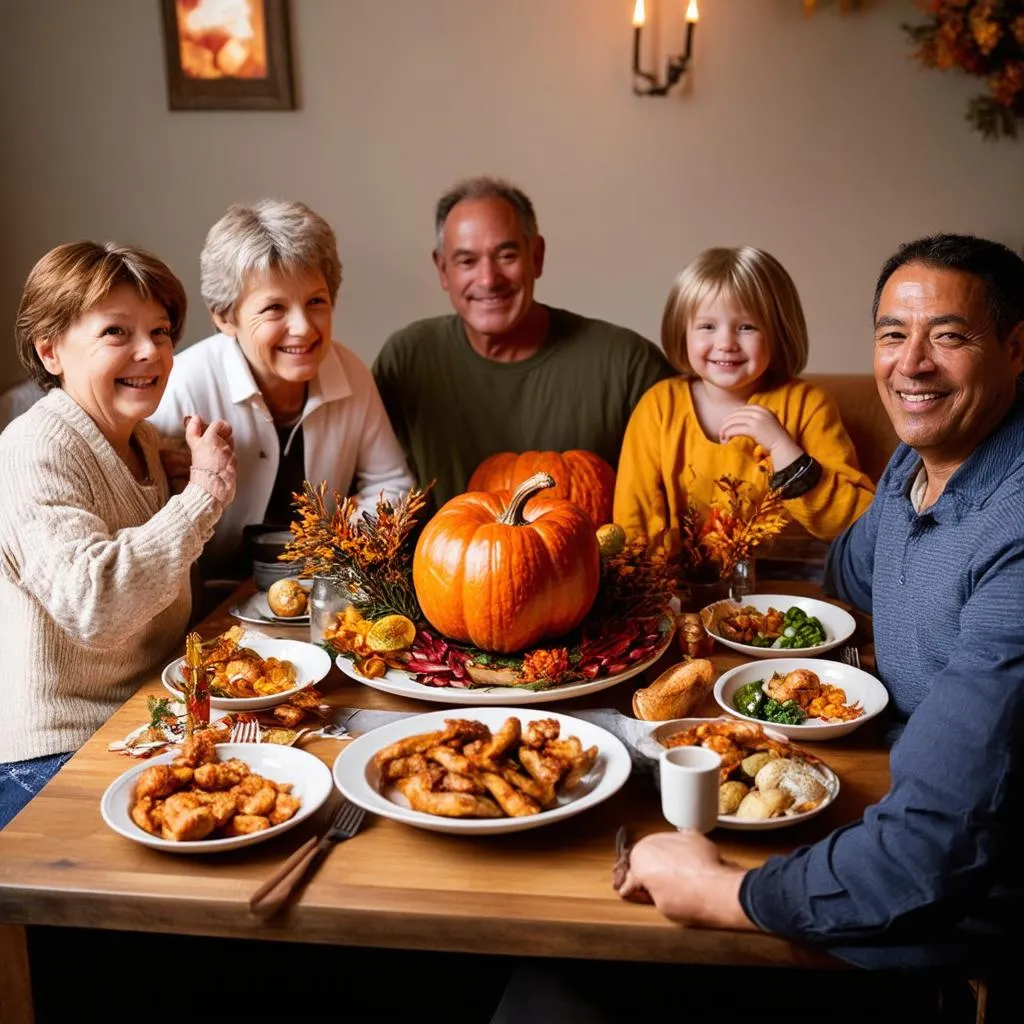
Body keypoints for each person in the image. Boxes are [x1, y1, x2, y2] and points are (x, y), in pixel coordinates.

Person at [615, 234, 1024, 973]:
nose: (912, 364)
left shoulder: (1013, 529)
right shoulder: (916, 463)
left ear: (1017, 347)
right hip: (871, 802)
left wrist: (719, 891)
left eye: (951, 336)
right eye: (893, 334)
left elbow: (933, 850)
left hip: (940, 921)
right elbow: (849, 572)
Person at [0, 241, 235, 829]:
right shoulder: (34, 448)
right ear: (49, 349)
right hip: (55, 755)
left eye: (160, 331)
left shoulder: (144, 441)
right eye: (116, 332)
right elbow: (96, 605)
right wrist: (202, 498)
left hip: (144, 724)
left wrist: (180, 466)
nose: (149, 351)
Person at [372, 176, 674, 508]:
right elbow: (372, 489)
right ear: (443, 269)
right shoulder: (406, 361)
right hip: (432, 559)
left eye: (506, 255)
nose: (488, 279)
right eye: (467, 261)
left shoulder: (628, 365)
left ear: (537, 256)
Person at [150, 198, 413, 580]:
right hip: (203, 604)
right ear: (225, 316)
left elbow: (392, 484)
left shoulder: (352, 373)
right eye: (274, 308)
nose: (304, 327)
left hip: (316, 592)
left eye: (316, 302)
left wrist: (344, 544)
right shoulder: (184, 383)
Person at [613, 247, 875, 546]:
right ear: (681, 331)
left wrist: (781, 446)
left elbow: (853, 520)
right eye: (707, 326)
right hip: (684, 587)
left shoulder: (808, 405)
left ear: (778, 333)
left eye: (746, 327)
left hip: (783, 585)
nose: (726, 343)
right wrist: (654, 589)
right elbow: (635, 517)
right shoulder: (658, 407)